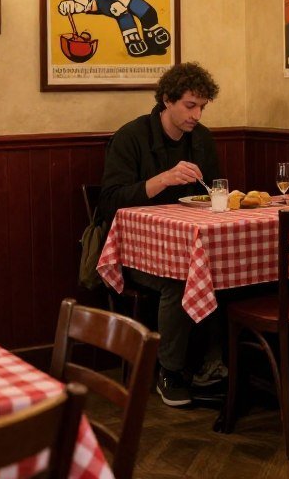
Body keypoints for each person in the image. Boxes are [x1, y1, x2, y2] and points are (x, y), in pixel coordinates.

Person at [100, 61, 225, 407]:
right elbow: (109, 201)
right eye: (190, 105)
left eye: (202, 106)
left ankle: (212, 365)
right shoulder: (132, 137)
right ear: (167, 100)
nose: (196, 115)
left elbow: (215, 191)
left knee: (222, 269)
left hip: (189, 244)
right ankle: (169, 371)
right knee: (178, 280)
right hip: (136, 251)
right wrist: (162, 180)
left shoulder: (201, 139)